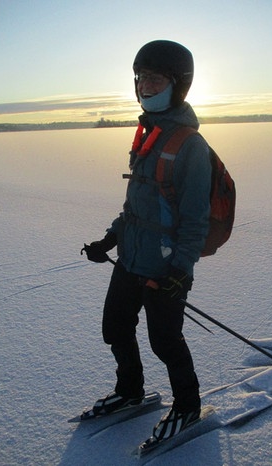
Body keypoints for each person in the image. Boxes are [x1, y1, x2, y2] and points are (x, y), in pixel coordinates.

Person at [82, 40, 212, 441]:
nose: (145, 86)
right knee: (115, 327)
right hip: (132, 258)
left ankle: (188, 406)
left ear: (178, 84)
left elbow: (195, 221)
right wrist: (111, 237)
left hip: (166, 266)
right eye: (141, 78)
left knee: (165, 341)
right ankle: (130, 391)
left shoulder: (190, 146)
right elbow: (136, 205)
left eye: (155, 79)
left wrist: (179, 270)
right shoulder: (146, 135)